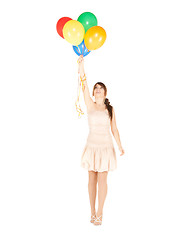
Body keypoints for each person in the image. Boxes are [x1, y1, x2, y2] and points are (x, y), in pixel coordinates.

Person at [77, 55, 125, 225]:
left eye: (100, 88)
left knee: (102, 180)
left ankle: (100, 212)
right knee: (91, 180)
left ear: (105, 92)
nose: (97, 90)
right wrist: (81, 65)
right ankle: (91, 211)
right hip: (91, 146)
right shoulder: (90, 104)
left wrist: (120, 146)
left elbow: (114, 129)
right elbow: (83, 83)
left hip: (105, 147)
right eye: (95, 88)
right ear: (93, 92)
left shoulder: (110, 108)